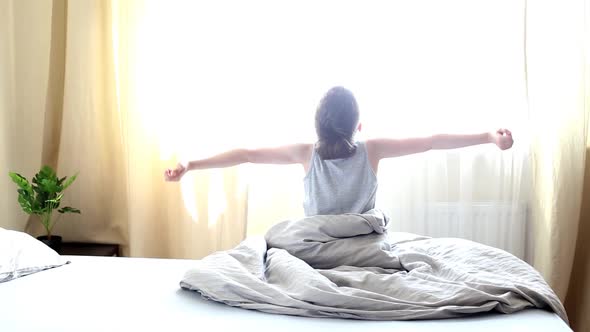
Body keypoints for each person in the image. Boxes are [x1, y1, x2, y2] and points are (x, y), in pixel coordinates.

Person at [164, 86, 513, 216]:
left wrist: (190, 164)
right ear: (358, 126)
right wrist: (487, 136)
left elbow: (245, 153)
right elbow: (433, 140)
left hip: (316, 251)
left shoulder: (305, 153)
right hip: (363, 251)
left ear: (316, 126)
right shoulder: (371, 149)